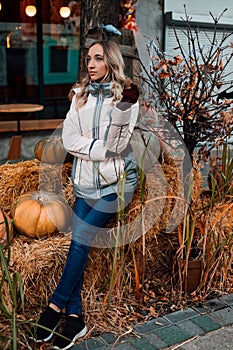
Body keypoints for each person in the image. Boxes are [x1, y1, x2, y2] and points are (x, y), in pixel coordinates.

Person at [32, 39, 139, 350]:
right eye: (89, 59)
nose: (91, 64)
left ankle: (54, 307)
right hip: (84, 185)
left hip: (115, 187)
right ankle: (76, 317)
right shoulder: (79, 96)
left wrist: (118, 115)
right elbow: (68, 139)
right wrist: (97, 149)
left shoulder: (126, 98)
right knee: (79, 240)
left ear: (111, 62)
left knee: (80, 238)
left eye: (98, 58)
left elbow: (117, 147)